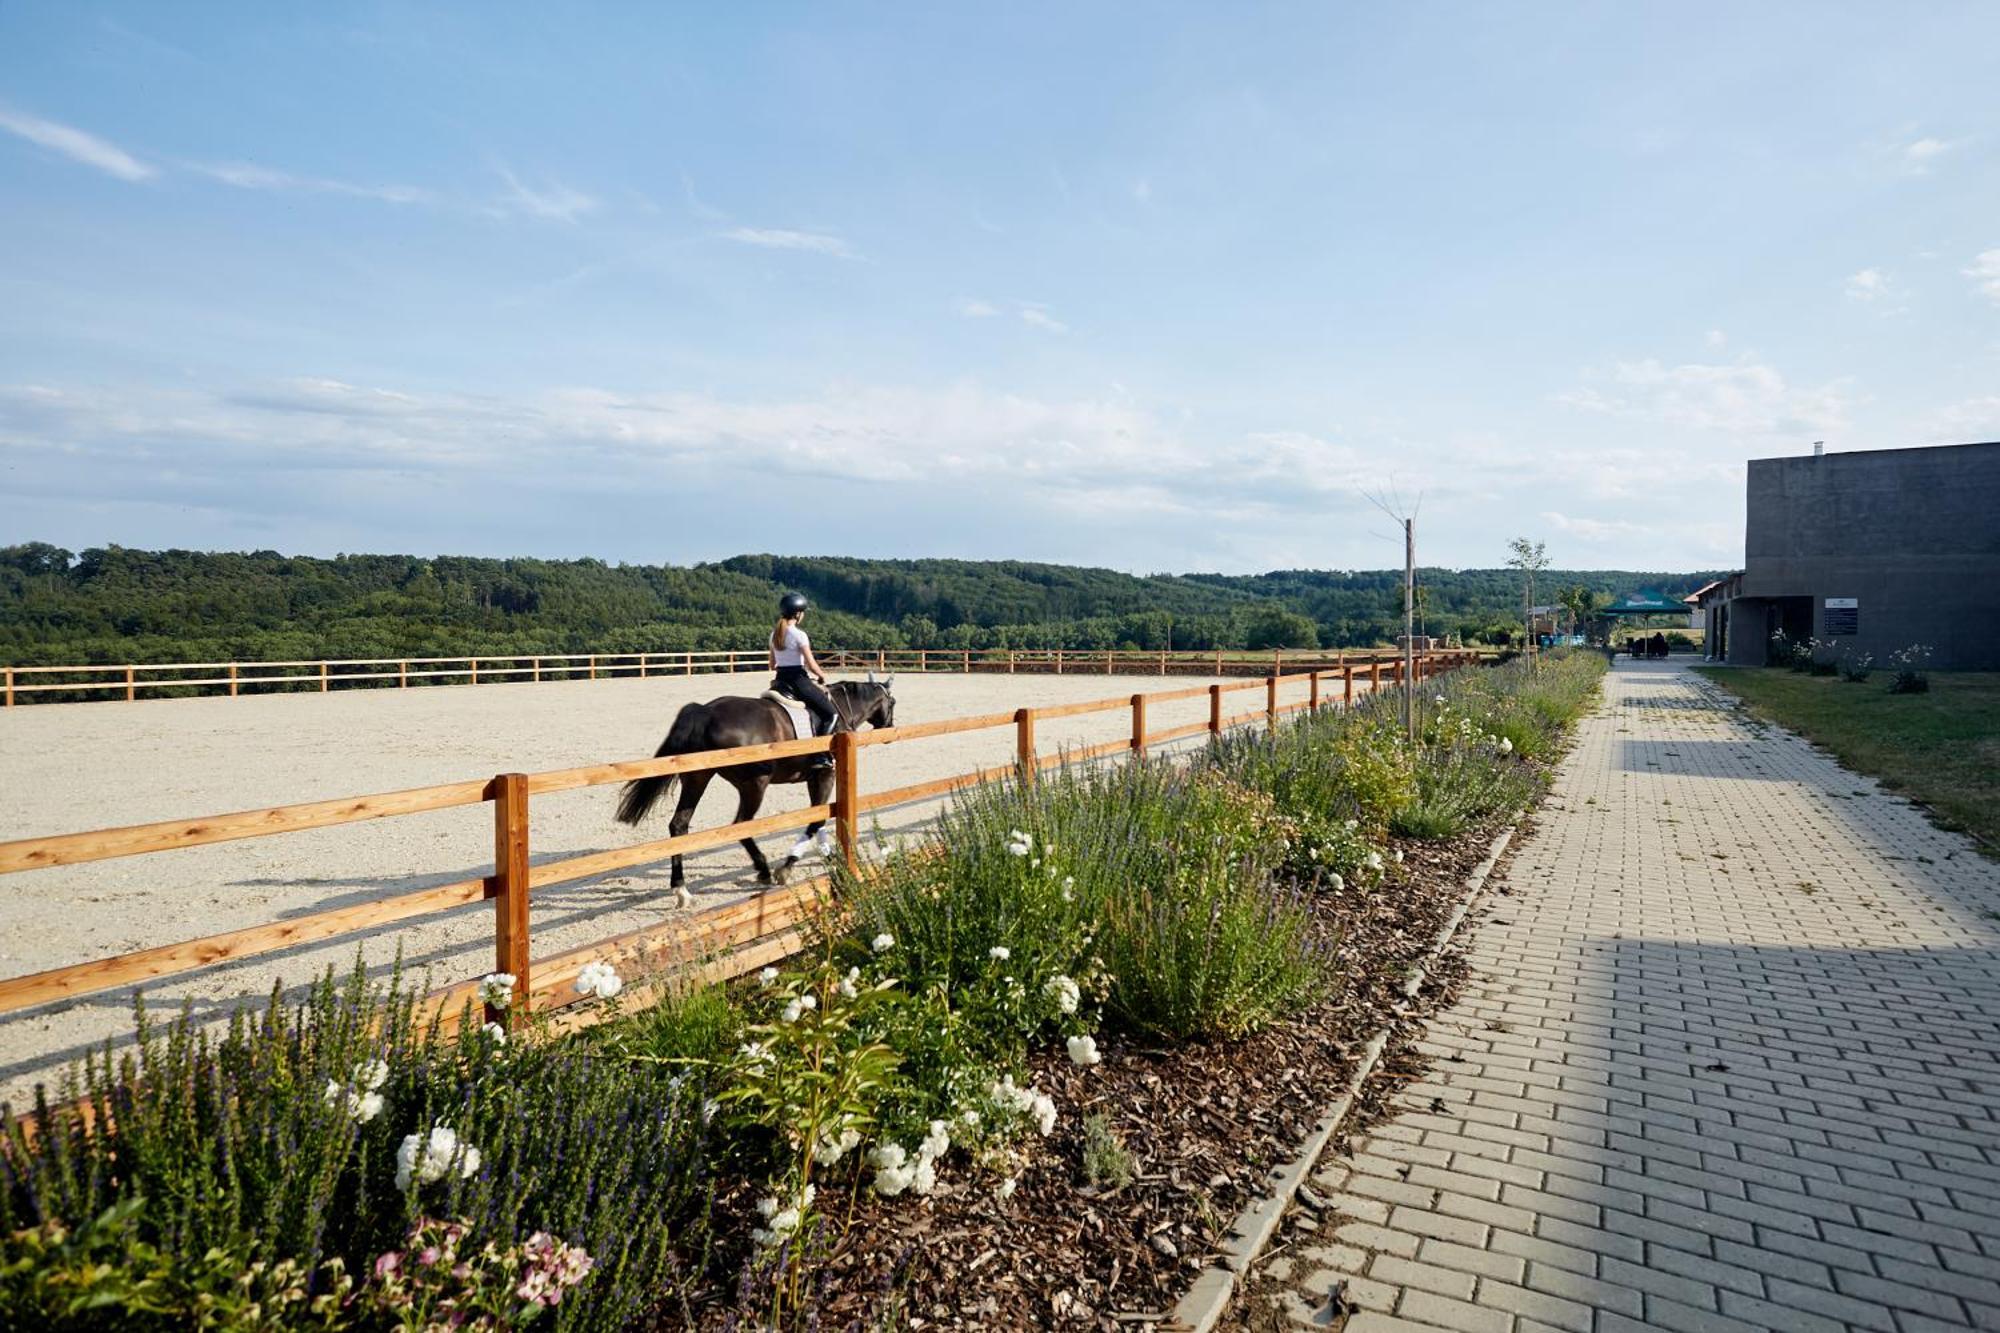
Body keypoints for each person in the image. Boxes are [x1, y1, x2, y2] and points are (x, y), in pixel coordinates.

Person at [770, 592, 837, 768]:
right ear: (798, 613)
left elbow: (772, 664)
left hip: (779, 682)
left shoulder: (774, 634)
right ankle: (821, 755)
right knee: (832, 714)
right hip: (798, 681)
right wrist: (822, 675)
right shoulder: (799, 635)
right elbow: (811, 664)